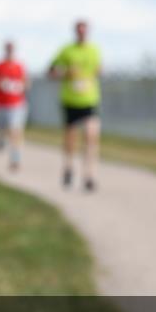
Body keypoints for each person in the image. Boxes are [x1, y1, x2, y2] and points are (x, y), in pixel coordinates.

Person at [48, 19, 102, 191]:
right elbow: (51, 71)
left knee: (90, 136)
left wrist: (93, 74)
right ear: (75, 32)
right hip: (70, 100)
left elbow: (98, 69)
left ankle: (89, 175)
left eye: (84, 31)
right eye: (79, 31)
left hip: (89, 100)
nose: (82, 34)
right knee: (70, 138)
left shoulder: (94, 50)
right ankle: (68, 167)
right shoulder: (66, 50)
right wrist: (65, 72)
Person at [0, 41, 28, 171]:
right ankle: (0, 139)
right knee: (1, 128)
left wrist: (19, 86)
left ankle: (15, 158)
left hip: (16, 104)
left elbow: (26, 83)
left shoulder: (19, 66)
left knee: (15, 130)